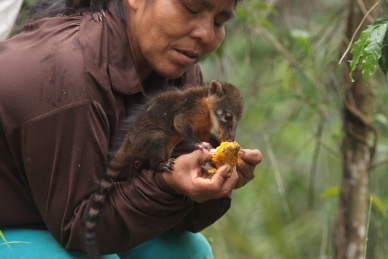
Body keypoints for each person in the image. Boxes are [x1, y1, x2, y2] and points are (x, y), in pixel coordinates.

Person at [0, 0, 262, 258]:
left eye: (219, 22)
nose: (205, 33)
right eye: (191, 8)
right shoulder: (66, 73)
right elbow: (79, 229)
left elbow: (180, 220)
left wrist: (210, 179)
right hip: (22, 223)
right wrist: (168, 183)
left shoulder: (180, 70)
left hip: (69, 216)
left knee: (193, 252)